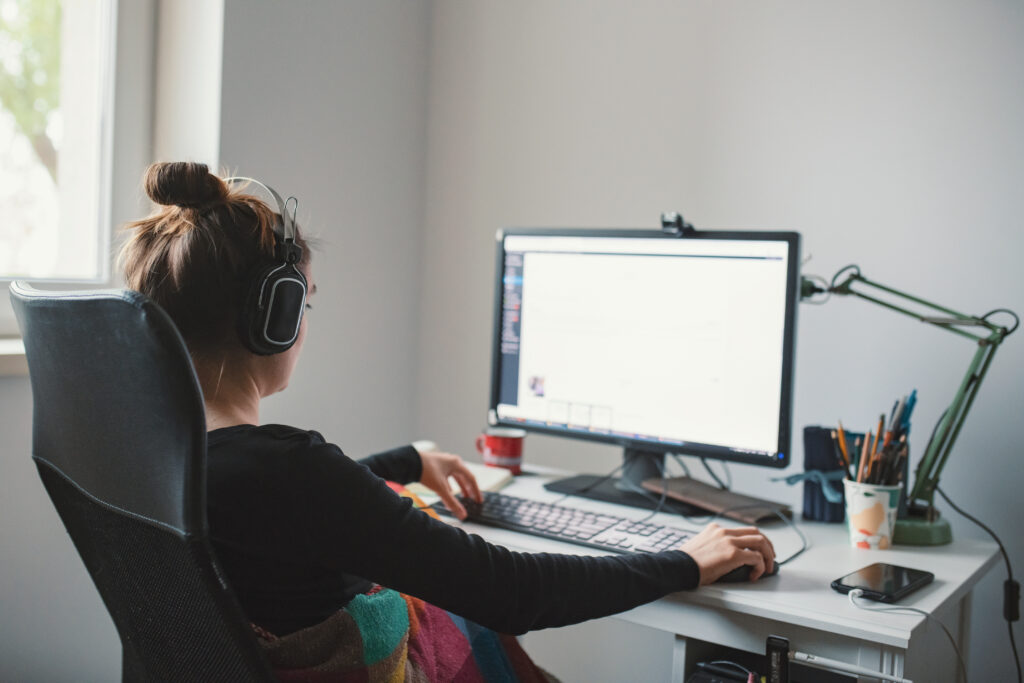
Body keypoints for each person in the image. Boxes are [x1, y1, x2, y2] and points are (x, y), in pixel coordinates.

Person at [120, 161, 775, 678]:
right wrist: (683, 561)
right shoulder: (288, 470)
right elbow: (509, 589)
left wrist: (405, 462)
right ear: (276, 314)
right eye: (306, 306)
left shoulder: (163, 451)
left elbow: (296, 513)